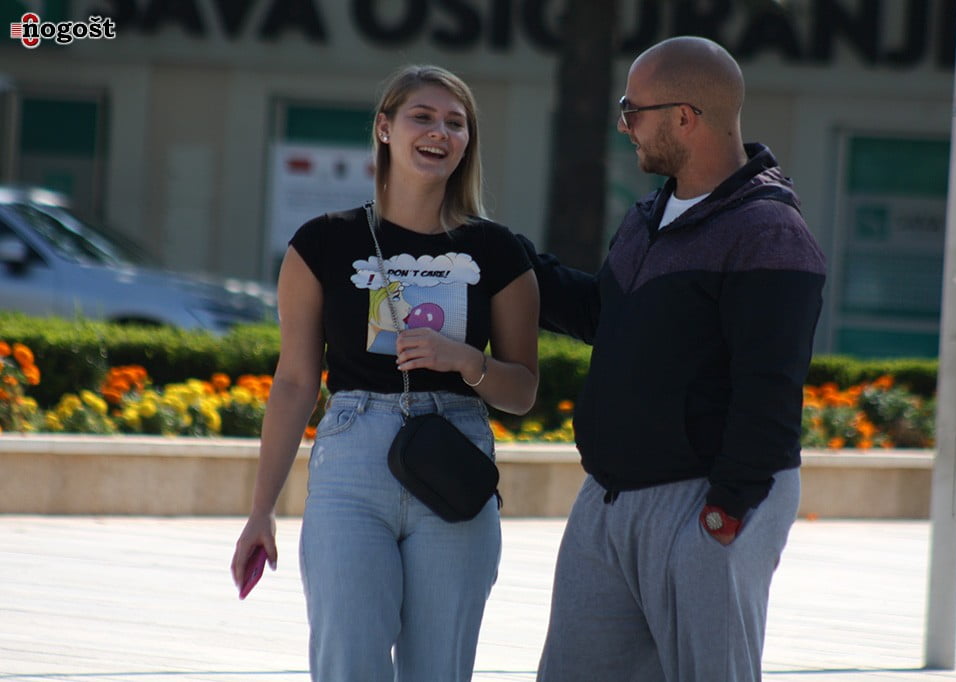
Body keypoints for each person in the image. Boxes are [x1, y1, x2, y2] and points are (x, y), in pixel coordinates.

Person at [517, 36, 827, 681]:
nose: (623, 125)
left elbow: (769, 390)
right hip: (607, 501)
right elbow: (606, 318)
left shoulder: (769, 233)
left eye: (632, 110)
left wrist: (724, 515)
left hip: (703, 504)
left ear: (685, 116)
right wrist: (506, 259)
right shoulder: (648, 215)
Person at [231, 64, 539, 681]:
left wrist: (466, 361)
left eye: (456, 123)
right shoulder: (322, 242)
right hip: (352, 462)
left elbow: (523, 390)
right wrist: (261, 511)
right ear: (384, 128)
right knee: (348, 661)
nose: (440, 132)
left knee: (439, 671)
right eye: (422, 117)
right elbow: (294, 382)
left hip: (453, 460)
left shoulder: (499, 251)